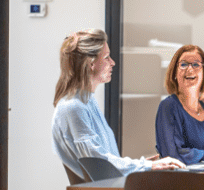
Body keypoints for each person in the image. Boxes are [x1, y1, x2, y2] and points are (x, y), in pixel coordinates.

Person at [53, 29, 184, 178]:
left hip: (115, 189)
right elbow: (98, 164)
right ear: (91, 64)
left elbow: (102, 160)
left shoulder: (87, 103)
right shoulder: (73, 107)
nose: (112, 63)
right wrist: (146, 166)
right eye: (107, 57)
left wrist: (141, 165)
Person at [154, 45, 204, 166]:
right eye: (183, 64)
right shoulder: (168, 106)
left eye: (196, 64)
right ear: (175, 72)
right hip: (184, 179)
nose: (190, 70)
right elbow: (173, 154)